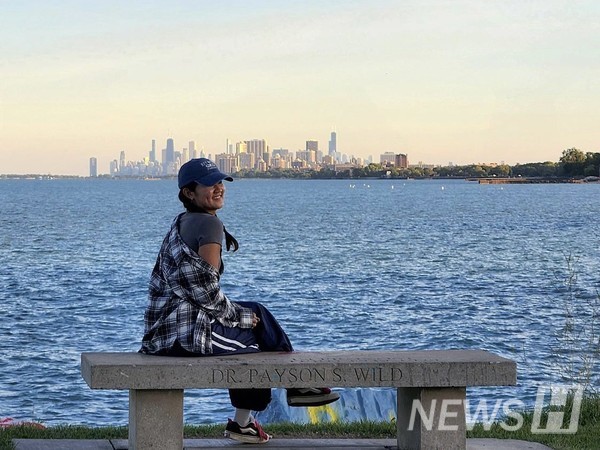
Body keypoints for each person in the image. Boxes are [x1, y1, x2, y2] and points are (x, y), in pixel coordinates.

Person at [140, 158, 339, 444]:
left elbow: (199, 292)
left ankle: (258, 414)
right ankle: (289, 389)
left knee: (257, 315)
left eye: (220, 182)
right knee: (259, 342)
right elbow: (207, 294)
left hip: (165, 334)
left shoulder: (182, 222)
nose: (219, 188)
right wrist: (242, 318)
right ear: (189, 192)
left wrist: (244, 315)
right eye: (210, 184)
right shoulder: (208, 225)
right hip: (183, 339)